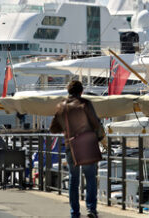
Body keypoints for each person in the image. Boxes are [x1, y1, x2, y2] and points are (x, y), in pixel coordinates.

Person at [49, 80, 102, 218]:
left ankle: (75, 212)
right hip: (87, 144)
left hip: (70, 144)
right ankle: (91, 209)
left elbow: (53, 128)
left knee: (73, 179)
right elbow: (95, 123)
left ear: (68, 91)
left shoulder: (61, 106)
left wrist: (66, 128)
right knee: (90, 177)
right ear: (81, 91)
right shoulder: (85, 103)